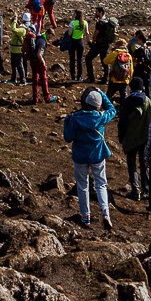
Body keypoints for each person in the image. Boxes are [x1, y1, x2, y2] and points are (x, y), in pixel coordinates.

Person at [63, 88, 117, 229]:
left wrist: (66, 122)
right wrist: (102, 94)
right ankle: (105, 213)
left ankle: (85, 217)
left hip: (80, 156)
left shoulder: (75, 118)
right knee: (100, 184)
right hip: (97, 155)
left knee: (82, 186)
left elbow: (68, 138)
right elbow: (112, 109)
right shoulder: (101, 117)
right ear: (97, 106)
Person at [117, 82, 151, 200]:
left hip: (131, 138)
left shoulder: (128, 102)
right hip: (145, 137)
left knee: (131, 164)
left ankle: (135, 190)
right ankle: (146, 190)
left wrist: (121, 137)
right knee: (144, 164)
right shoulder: (147, 100)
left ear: (131, 87)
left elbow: (122, 122)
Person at [24, 21, 56, 104]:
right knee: (44, 79)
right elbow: (39, 54)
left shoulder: (38, 37)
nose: (50, 39)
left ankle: (35, 98)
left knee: (35, 79)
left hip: (32, 61)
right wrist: (43, 63)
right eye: (50, 37)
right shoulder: (42, 41)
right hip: (38, 62)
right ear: (48, 34)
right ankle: (47, 97)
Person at [87, 8, 119, 84]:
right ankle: (105, 79)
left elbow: (95, 34)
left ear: (101, 12)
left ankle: (91, 78)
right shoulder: (108, 22)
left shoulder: (100, 23)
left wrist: (92, 42)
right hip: (106, 45)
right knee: (104, 61)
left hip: (98, 44)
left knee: (88, 58)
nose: (95, 13)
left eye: (96, 12)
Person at [104, 37, 135, 104]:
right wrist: (128, 78)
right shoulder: (128, 55)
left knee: (108, 96)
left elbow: (105, 61)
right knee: (124, 97)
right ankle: (124, 110)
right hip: (124, 80)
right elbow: (131, 69)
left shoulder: (115, 53)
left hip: (114, 79)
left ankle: (106, 109)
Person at [67, 9, 89, 82]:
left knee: (72, 59)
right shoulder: (85, 23)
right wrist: (88, 41)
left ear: (76, 15)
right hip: (80, 42)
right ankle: (79, 76)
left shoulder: (73, 23)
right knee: (80, 60)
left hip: (73, 41)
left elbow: (69, 34)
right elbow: (87, 33)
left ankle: (73, 75)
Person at [10, 13, 29, 84]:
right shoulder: (20, 28)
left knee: (19, 65)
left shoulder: (22, 30)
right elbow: (11, 23)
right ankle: (13, 78)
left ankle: (22, 80)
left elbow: (13, 29)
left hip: (18, 50)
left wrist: (15, 20)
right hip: (13, 49)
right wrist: (14, 17)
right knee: (13, 64)